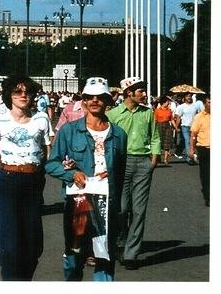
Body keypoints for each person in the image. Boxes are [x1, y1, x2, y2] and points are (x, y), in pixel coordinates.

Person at [45, 77, 128, 281]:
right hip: (78, 203)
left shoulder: (119, 134)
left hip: (107, 204)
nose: (94, 101)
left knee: (104, 256)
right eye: (89, 97)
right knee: (74, 255)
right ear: (83, 101)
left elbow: (121, 170)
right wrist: (72, 174)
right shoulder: (69, 131)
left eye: (100, 97)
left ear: (108, 100)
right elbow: (51, 164)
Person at [0, 75, 52, 281]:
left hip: (33, 181)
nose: (23, 95)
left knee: (34, 245)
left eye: (27, 91)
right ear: (9, 95)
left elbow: (48, 153)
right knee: (10, 244)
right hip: (7, 180)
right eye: (17, 91)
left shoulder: (41, 118)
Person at [107, 76, 160, 270]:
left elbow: (154, 136)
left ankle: (131, 253)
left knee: (139, 210)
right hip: (121, 163)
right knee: (121, 208)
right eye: (141, 91)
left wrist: (154, 157)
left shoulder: (148, 113)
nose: (145, 94)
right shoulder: (113, 114)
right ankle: (120, 242)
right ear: (129, 93)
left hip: (143, 163)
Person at [189, 94, 210, 207]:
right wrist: (191, 149)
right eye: (209, 102)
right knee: (206, 174)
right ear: (204, 103)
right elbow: (193, 134)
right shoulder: (199, 117)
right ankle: (208, 196)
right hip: (204, 149)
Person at [175, 93, 201, 165]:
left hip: (194, 127)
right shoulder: (181, 107)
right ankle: (189, 158)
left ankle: (195, 155)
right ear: (184, 98)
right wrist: (176, 127)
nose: (189, 97)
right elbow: (178, 117)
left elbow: (198, 115)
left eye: (190, 96)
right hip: (185, 127)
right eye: (187, 96)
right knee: (187, 141)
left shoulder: (195, 106)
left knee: (194, 142)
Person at [153, 96, 176, 165]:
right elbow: (155, 120)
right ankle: (158, 156)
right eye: (167, 102)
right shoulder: (157, 110)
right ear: (163, 102)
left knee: (167, 142)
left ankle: (166, 159)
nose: (168, 103)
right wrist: (153, 129)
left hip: (167, 126)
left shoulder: (169, 110)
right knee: (159, 142)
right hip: (159, 126)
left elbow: (171, 120)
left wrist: (176, 127)